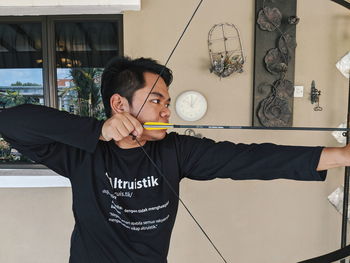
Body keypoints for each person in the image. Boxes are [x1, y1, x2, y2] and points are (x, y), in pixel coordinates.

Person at [0, 56, 349, 263]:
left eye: (167, 103)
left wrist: (343, 155)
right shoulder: (80, 153)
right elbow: (11, 121)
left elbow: (251, 159)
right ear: (120, 105)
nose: (166, 111)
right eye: (157, 101)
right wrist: (97, 131)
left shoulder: (177, 151)